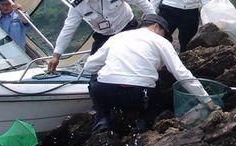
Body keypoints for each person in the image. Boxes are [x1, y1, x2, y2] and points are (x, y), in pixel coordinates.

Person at [83, 14, 217, 134]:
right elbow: (181, 73)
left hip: (105, 91)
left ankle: (102, 119)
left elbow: (89, 66)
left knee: (95, 80)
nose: (164, 37)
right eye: (164, 33)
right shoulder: (161, 41)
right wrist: (206, 100)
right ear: (156, 26)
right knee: (159, 91)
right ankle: (142, 124)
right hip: (138, 95)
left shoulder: (118, 37)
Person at [48, 0, 155, 73]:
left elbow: (140, 1)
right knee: (91, 68)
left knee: (137, 59)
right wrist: (56, 56)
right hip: (104, 36)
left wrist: (154, 23)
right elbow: (68, 29)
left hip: (127, 27)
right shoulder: (77, 4)